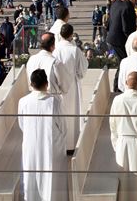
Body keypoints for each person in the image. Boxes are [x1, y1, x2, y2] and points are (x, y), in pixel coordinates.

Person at [18, 69, 68, 201]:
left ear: (31, 83)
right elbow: (63, 126)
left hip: (31, 145)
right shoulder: (55, 101)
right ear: (47, 83)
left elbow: (21, 124)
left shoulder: (23, 101)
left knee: (32, 174)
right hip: (51, 146)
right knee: (51, 177)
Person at [52, 23, 88, 154]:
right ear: (71, 35)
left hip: (59, 87)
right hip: (72, 86)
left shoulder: (55, 50)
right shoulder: (74, 50)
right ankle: (71, 144)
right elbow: (82, 68)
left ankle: (61, 144)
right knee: (72, 115)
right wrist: (77, 75)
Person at [107, 0, 136, 92]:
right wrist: (132, 39)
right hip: (119, 40)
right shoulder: (126, 7)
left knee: (122, 62)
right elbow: (126, 28)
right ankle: (117, 86)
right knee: (123, 62)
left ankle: (118, 86)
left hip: (112, 38)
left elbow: (108, 22)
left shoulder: (114, 4)